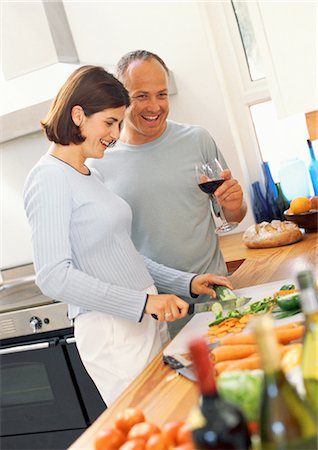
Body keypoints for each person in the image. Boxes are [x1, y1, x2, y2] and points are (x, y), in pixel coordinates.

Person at [23, 65, 233, 406]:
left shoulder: (89, 174)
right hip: (112, 332)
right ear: (78, 115)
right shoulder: (49, 178)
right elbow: (53, 277)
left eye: (119, 123)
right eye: (109, 122)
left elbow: (124, 255)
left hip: (140, 322)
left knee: (174, 419)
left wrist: (187, 282)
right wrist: (145, 303)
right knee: (151, 427)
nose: (117, 134)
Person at [90, 50, 247, 337]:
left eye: (161, 94)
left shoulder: (197, 139)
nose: (155, 106)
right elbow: (115, 251)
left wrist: (235, 205)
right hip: (158, 315)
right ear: (120, 98)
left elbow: (232, 216)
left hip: (216, 297)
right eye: (141, 96)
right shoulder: (99, 163)